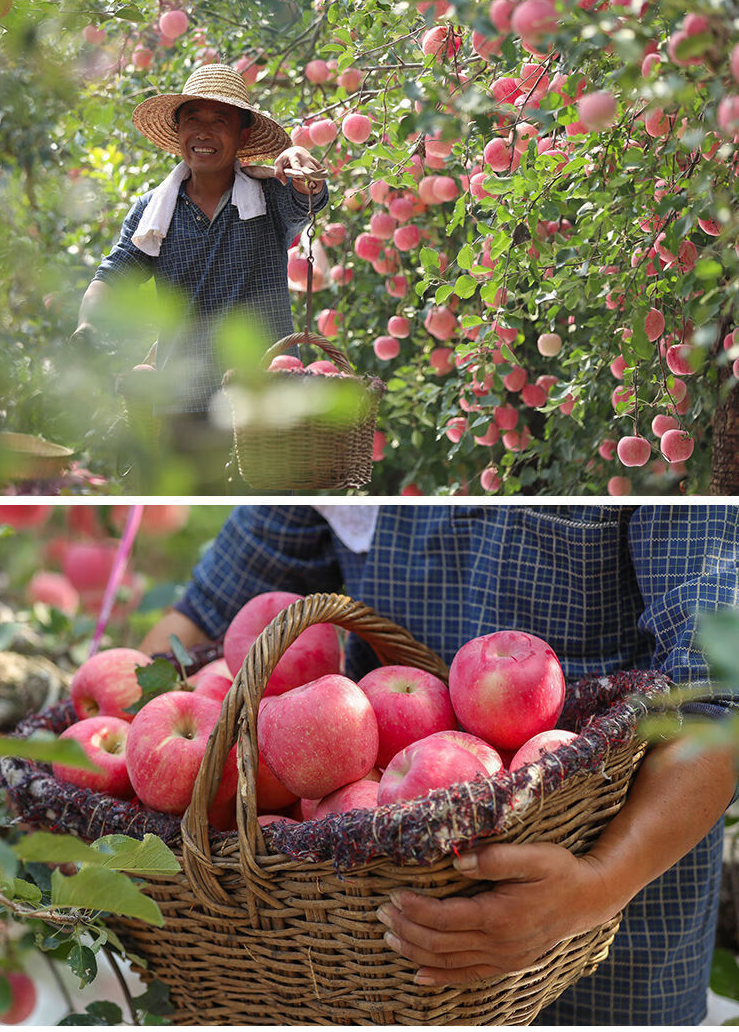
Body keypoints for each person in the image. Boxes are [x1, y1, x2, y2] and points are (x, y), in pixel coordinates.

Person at [140, 502, 739, 1025]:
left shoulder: (654, 427)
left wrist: (600, 884)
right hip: (366, 953)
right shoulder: (348, 422)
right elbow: (206, 617)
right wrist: (111, 745)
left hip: (613, 945)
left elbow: (719, 698)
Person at [72, 63, 328, 429]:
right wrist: (88, 324)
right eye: (193, 119)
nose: (204, 133)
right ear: (178, 131)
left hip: (265, 404)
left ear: (242, 135)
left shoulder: (270, 196)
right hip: (182, 405)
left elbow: (309, 200)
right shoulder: (152, 213)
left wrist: (301, 165)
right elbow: (114, 274)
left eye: (220, 120)